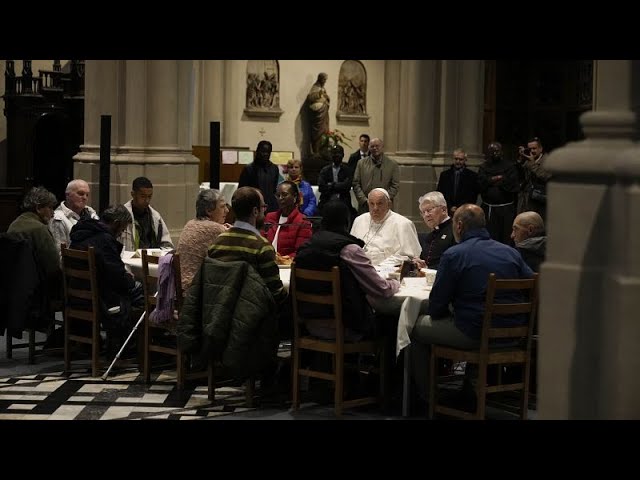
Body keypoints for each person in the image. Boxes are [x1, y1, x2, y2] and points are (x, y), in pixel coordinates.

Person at [410, 204, 534, 401]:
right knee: (472, 317)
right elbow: (532, 285)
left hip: (475, 333)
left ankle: (426, 398)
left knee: (413, 328)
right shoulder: (511, 253)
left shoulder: (454, 254)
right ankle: (468, 390)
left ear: (458, 226)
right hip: (514, 332)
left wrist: (448, 312)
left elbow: (436, 306)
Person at [295, 200, 400, 341]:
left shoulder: (308, 245)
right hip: (345, 326)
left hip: (309, 323)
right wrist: (395, 282)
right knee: (392, 320)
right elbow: (382, 289)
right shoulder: (349, 250)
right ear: (346, 221)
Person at [69, 204, 145, 352]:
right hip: (99, 299)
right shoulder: (104, 239)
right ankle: (129, 346)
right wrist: (129, 279)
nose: (121, 233)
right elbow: (116, 276)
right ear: (116, 223)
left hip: (77, 294)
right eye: (122, 229)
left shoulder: (83, 231)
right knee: (143, 292)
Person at [208, 187, 287, 307]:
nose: (264, 211)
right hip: (252, 318)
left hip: (220, 314)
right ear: (255, 211)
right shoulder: (262, 247)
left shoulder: (217, 243)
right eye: (263, 207)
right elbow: (276, 294)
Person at [7, 186, 61, 308]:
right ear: (38, 208)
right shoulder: (39, 228)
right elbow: (52, 266)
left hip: (13, 286)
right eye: (50, 208)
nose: (53, 213)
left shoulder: (14, 224)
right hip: (37, 289)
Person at [176, 189, 231, 292]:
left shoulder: (190, 224)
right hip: (196, 292)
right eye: (222, 206)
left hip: (180, 288)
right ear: (209, 211)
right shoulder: (215, 229)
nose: (227, 210)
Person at [350, 188, 421, 265]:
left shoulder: (403, 224)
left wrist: (381, 267)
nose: (375, 208)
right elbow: (351, 249)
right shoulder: (359, 220)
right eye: (372, 204)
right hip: (360, 268)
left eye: (380, 203)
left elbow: (409, 256)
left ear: (389, 204)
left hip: (389, 272)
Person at [477, 141, 520, 245]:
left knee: (505, 238)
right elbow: (481, 184)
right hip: (488, 209)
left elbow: (512, 185)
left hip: (506, 210)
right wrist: (496, 179)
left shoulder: (509, 166)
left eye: (497, 151)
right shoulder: (483, 167)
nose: (495, 154)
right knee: (489, 237)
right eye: (492, 151)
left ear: (501, 152)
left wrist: (491, 181)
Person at [263, 181, 313, 261]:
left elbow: (300, 252)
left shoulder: (303, 222)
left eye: (284, 195)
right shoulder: (270, 217)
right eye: (278, 195)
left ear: (295, 197)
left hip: (287, 265)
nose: (280, 198)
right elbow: (262, 242)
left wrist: (283, 259)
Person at [120, 176, 173, 251]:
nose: (147, 200)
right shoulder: (122, 215)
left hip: (151, 259)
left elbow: (167, 244)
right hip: (127, 260)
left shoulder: (156, 217)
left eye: (149, 196)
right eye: (143, 196)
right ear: (133, 194)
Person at [49, 179, 99, 256]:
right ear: (67, 195)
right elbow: (59, 254)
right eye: (81, 194)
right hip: (74, 265)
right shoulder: (58, 218)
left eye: (87, 195)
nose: (85, 197)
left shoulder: (92, 213)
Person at [352, 138, 400, 214]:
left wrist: (384, 199)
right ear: (369, 148)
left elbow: (395, 185)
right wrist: (364, 200)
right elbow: (356, 183)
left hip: (385, 205)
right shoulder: (361, 163)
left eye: (377, 146)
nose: (375, 148)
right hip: (365, 206)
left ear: (382, 147)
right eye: (372, 146)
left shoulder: (392, 164)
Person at [238, 140, 280, 213]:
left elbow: (274, 189)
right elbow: (242, 191)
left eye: (268, 152)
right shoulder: (249, 169)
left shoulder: (274, 168)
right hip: (253, 207)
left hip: (271, 206)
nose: (265, 154)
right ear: (257, 151)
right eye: (263, 151)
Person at [417, 191, 456, 270]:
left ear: (444, 209)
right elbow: (423, 260)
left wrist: (428, 269)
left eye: (429, 210)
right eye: (423, 212)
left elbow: (454, 262)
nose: (426, 215)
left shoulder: (455, 231)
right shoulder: (430, 236)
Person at [317, 144, 356, 220]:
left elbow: (347, 186)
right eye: (334, 154)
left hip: (344, 202)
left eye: (339, 154)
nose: (337, 156)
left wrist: (331, 185)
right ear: (331, 155)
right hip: (327, 201)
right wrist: (339, 186)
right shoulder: (325, 170)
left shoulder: (347, 170)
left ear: (343, 155)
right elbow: (321, 187)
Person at [436, 148, 479, 216]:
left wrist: (459, 208)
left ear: (465, 160)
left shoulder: (472, 176)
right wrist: (449, 207)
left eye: (460, 159)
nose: (458, 161)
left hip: (465, 212)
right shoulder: (445, 175)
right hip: (447, 211)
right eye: (456, 159)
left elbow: (473, 195)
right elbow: (440, 193)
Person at [517, 137, 551, 220]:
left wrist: (532, 164)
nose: (532, 151)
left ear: (541, 149)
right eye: (529, 149)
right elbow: (519, 177)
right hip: (528, 202)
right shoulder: (528, 161)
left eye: (534, 148)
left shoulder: (548, 160)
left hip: (542, 202)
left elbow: (546, 177)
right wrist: (521, 159)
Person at [307, 72, 330, 155]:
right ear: (320, 79)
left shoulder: (323, 88)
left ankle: (323, 152)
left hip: (324, 114)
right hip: (317, 115)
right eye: (324, 79)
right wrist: (319, 94)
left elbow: (326, 98)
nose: (325, 81)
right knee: (317, 133)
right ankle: (316, 152)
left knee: (324, 132)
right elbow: (310, 98)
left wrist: (327, 98)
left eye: (325, 80)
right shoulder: (315, 87)